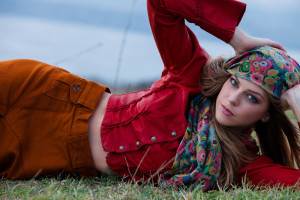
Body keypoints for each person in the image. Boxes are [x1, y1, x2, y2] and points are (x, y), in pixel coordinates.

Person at [1, 0, 299, 190]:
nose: (233, 98)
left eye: (252, 98)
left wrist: (297, 101)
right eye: (235, 82)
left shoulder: (240, 163)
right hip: (39, 92)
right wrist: (238, 37)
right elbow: (162, 3)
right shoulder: (190, 75)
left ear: (267, 114)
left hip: (43, 151)